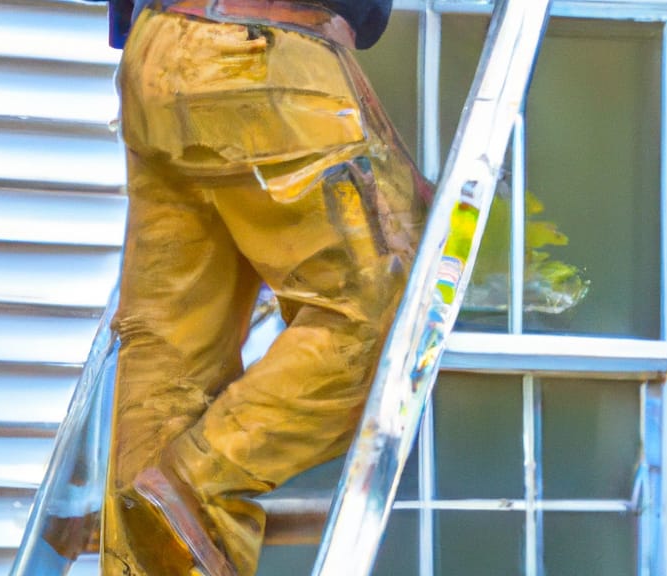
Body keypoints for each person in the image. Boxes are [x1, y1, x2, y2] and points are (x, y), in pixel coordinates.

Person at [87, 1, 433, 574]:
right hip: (269, 55)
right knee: (390, 313)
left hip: (160, 49)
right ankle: (195, 480)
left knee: (170, 364)